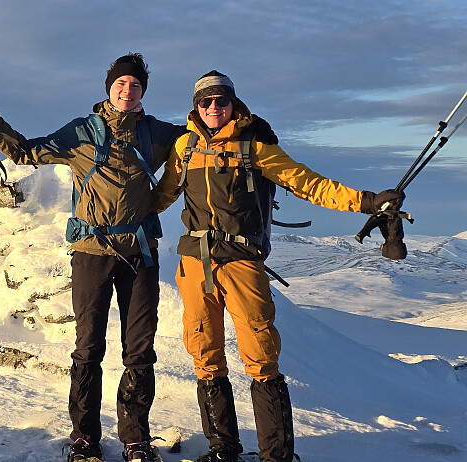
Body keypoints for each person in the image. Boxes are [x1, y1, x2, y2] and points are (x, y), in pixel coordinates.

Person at [0, 54, 276, 462]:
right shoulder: (81, 132)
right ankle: (84, 438)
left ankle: (135, 439)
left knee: (139, 349)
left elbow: (208, 130)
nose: (127, 91)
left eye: (135, 85)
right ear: (108, 87)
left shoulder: (159, 133)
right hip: (91, 253)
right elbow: (27, 152)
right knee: (88, 346)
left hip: (141, 254)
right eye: (121, 84)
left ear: (143, 92)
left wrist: (254, 128)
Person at [154, 70, 404, 462]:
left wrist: (368, 202)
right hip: (194, 264)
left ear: (233, 103)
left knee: (260, 356)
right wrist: (117, 222)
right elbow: (162, 194)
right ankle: (222, 448)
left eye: (222, 100)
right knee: (204, 353)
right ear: (195, 106)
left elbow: (308, 183)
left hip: (241, 262)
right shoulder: (184, 147)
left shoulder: (255, 147)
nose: (214, 107)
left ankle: (276, 455)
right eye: (206, 101)